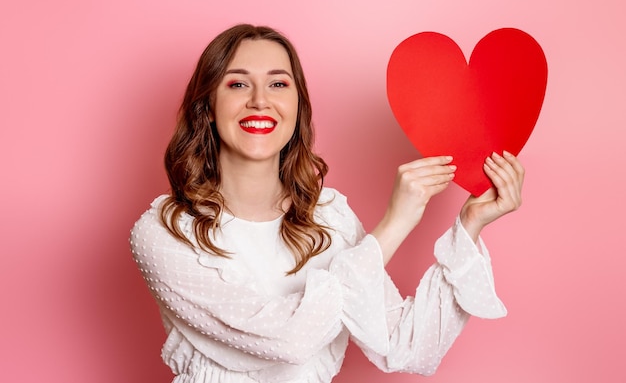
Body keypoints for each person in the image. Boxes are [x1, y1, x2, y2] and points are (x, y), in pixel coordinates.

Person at [130, 23, 524, 383]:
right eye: (237, 84)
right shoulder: (164, 232)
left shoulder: (329, 218)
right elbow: (288, 341)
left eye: (279, 84)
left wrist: (470, 225)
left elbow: (406, 345)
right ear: (208, 108)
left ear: (297, 106)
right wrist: (394, 224)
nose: (260, 101)